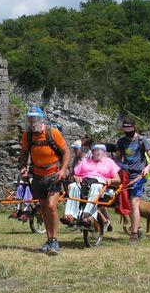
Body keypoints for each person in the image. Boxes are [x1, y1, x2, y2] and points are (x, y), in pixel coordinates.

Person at [19, 107, 70, 255]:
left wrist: (63, 170)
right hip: (38, 175)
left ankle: (54, 241)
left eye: (35, 119)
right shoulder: (27, 135)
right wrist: (23, 166)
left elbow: (66, 152)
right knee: (43, 208)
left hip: (54, 174)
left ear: (40, 119)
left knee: (51, 206)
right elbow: (24, 152)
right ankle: (49, 240)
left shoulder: (52, 132)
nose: (32, 122)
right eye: (30, 120)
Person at [116, 118, 150, 244]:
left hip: (138, 176)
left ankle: (133, 235)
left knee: (134, 203)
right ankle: (137, 228)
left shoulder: (142, 140)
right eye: (125, 129)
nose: (127, 131)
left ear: (134, 128)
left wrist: (147, 168)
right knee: (126, 204)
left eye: (129, 129)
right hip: (125, 177)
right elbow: (118, 159)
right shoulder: (121, 141)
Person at [63, 144, 121, 226]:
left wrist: (111, 180)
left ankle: (88, 216)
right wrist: (76, 177)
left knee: (95, 186)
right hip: (85, 181)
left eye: (101, 150)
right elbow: (74, 174)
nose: (99, 152)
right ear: (92, 151)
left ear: (104, 152)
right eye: (96, 150)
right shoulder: (85, 161)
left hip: (101, 182)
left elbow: (118, 180)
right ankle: (70, 216)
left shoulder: (109, 162)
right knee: (74, 186)